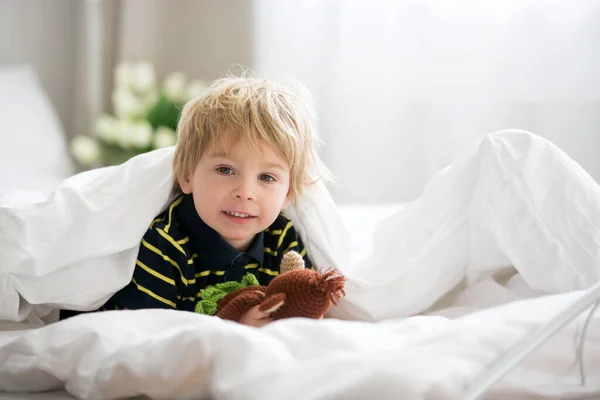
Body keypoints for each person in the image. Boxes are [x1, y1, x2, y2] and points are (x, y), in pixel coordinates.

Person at [93, 75, 328, 327]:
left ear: (288, 194)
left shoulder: (283, 239)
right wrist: (238, 327)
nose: (245, 192)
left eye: (267, 177)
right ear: (187, 175)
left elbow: (305, 308)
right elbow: (149, 336)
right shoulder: (165, 246)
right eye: (225, 170)